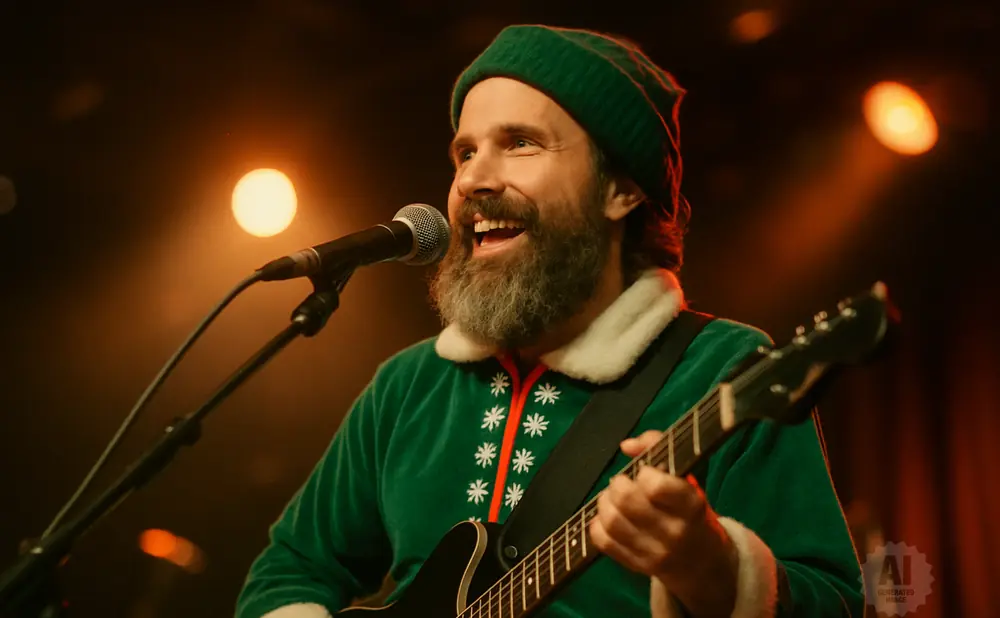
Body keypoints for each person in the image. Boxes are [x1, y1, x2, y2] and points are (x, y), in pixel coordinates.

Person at [236, 25, 864, 618]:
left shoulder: (723, 369)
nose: (472, 179)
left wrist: (717, 571)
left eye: (520, 143)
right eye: (465, 152)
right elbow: (289, 570)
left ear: (621, 188)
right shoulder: (408, 387)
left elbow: (835, 602)